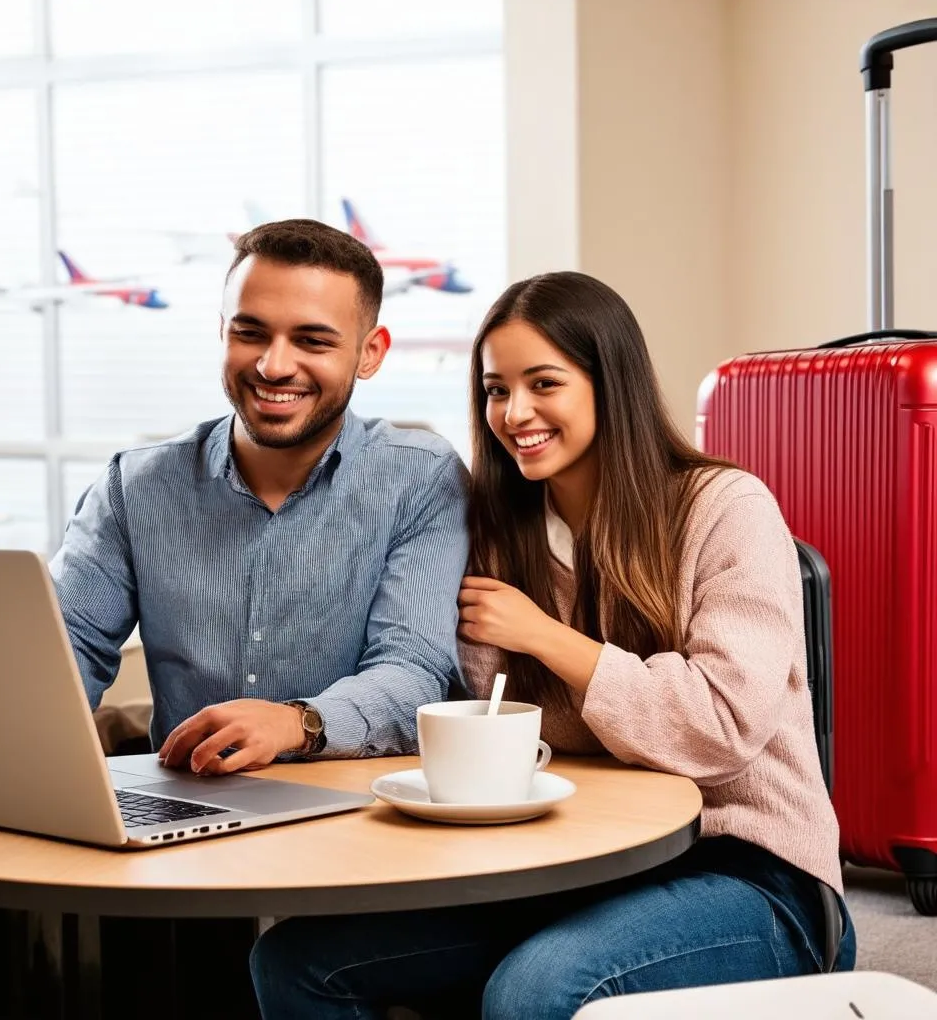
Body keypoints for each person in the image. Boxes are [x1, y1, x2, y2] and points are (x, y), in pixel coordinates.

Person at [249, 271, 856, 1019]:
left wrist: (545, 637)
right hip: (571, 867)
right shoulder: (497, 538)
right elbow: (516, 729)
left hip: (752, 875)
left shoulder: (726, 510)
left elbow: (719, 728)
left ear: (610, 383)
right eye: (496, 389)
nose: (514, 412)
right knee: (299, 961)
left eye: (543, 383)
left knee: (539, 988)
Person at [50, 219, 469, 771]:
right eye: (250, 333)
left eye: (312, 340)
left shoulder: (422, 478)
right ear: (223, 331)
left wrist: (297, 722)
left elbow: (414, 670)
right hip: (188, 814)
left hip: (354, 815)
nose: (274, 365)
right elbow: (64, 649)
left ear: (370, 353)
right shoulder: (135, 486)